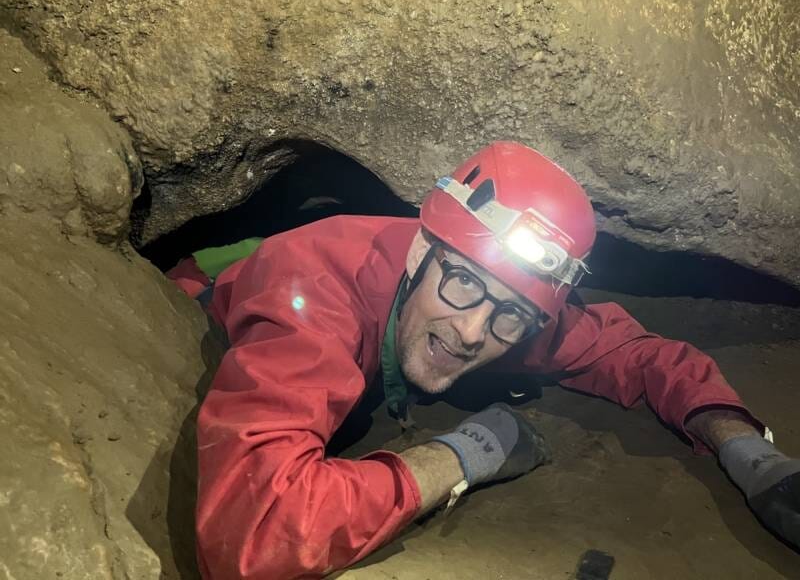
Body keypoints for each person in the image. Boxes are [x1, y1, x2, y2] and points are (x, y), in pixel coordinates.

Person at [168, 141, 800, 579]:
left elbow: (636, 355)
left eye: (509, 313)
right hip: (217, 278)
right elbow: (253, 534)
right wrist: (464, 454)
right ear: (422, 251)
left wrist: (752, 457)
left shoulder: (510, 320)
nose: (472, 331)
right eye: (463, 282)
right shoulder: (314, 294)